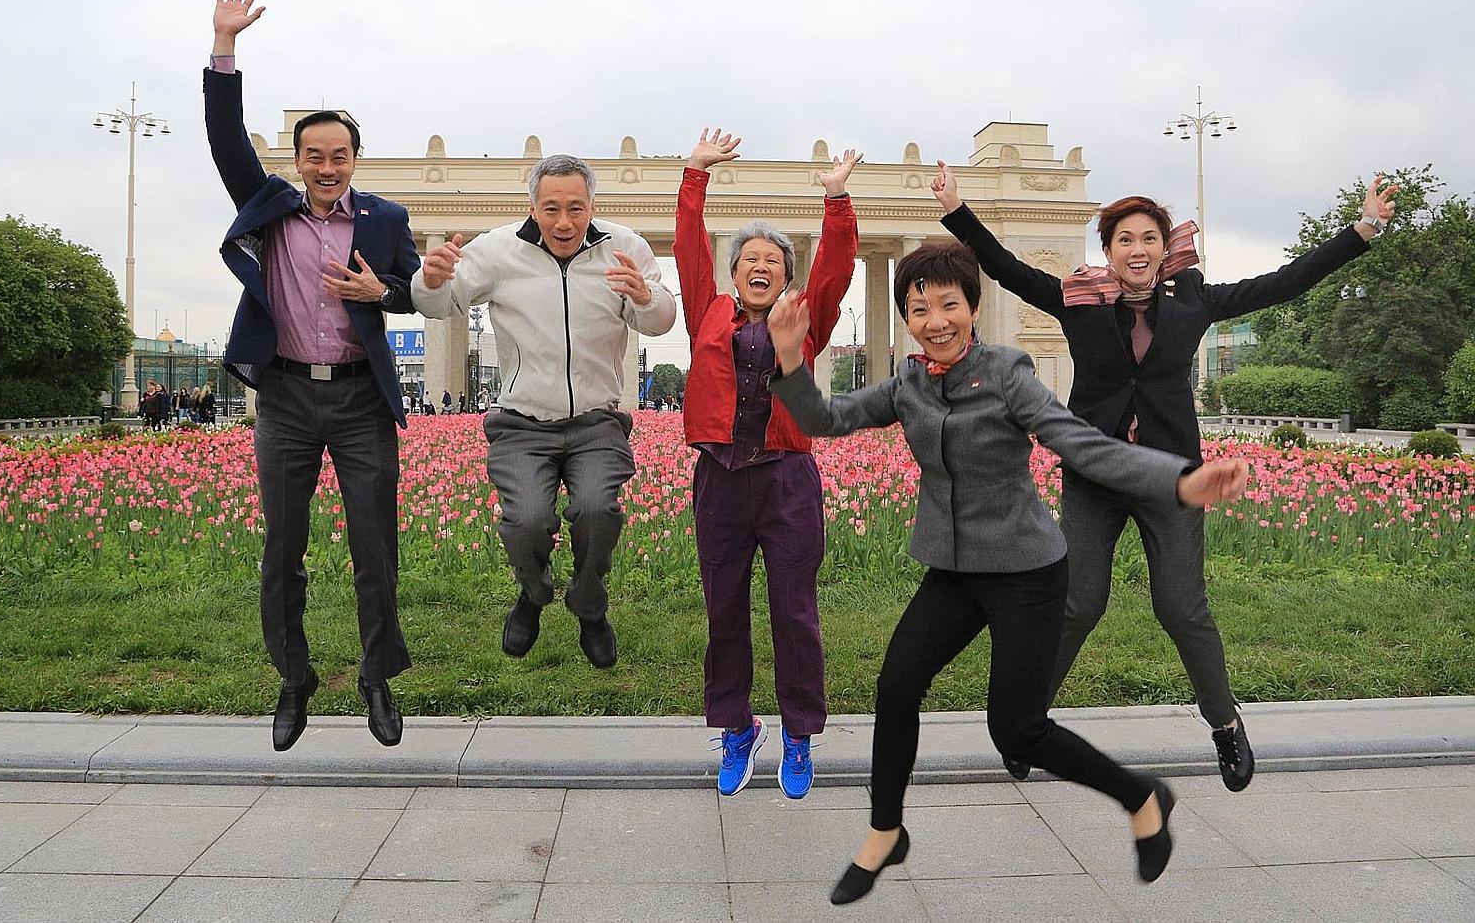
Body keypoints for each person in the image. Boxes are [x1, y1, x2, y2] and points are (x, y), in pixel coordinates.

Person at [766, 243, 1250, 903]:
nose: (935, 320)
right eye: (918, 308)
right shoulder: (909, 384)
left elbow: (1084, 445)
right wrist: (791, 357)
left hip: (1026, 570)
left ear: (972, 306)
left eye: (948, 304)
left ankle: (1143, 799)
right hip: (954, 570)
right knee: (898, 683)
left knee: (1017, 729)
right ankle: (884, 832)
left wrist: (1181, 481)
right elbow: (827, 418)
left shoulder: (1008, 374)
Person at [931, 162, 1397, 791]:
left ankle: (1225, 725)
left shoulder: (1194, 302)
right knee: (1075, 605)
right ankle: (1024, 726)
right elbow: (1005, 269)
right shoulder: (1080, 303)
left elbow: (1286, 282)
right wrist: (957, 211)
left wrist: (1363, 229)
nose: (1138, 250)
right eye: (1124, 239)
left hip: (1173, 479)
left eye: (1148, 238)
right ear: (1110, 249)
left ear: (1163, 247)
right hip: (1095, 476)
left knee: (1182, 608)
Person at [206, 0, 422, 752]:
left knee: (375, 548)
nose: (326, 167)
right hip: (288, 399)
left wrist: (382, 288)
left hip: (363, 403)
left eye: (339, 156)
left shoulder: (387, 219)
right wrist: (226, 45)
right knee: (282, 550)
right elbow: (226, 140)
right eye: (313, 155)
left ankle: (376, 678)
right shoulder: (270, 205)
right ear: (296, 159)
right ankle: (294, 681)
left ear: (356, 159)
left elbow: (414, 290)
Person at [414, 154, 677, 667]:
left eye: (576, 208)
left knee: (596, 511)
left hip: (597, 421)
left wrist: (646, 297)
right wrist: (431, 280)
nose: (563, 222)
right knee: (528, 520)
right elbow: (437, 304)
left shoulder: (624, 249)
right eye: (551, 208)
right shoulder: (496, 250)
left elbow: (662, 320)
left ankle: (588, 602)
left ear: (591, 205)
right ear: (531, 206)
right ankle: (533, 594)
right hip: (521, 422)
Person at [673, 128, 861, 798]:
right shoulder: (708, 311)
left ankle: (800, 737)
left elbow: (838, 265)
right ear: (733, 273)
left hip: (787, 480)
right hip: (721, 478)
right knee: (724, 611)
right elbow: (688, 247)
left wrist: (836, 201)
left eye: (772, 260)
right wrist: (694, 175)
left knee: (795, 611)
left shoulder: (804, 319)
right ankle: (735, 729)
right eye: (748, 258)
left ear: (786, 273)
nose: (760, 266)